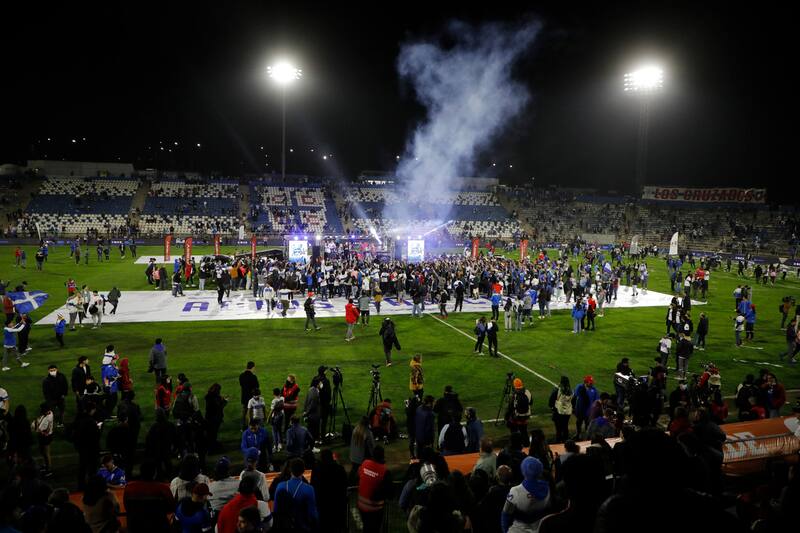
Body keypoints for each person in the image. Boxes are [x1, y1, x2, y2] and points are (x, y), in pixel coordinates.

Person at [123, 461, 176, 533]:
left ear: (141, 472)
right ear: (155, 473)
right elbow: (171, 508)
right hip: (159, 526)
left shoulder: (129, 487)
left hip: (135, 526)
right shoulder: (163, 488)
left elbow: (127, 507)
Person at [501, 456, 551, 532]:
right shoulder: (547, 488)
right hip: (540, 528)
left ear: (523, 471)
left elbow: (506, 515)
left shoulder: (516, 491)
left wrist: (505, 530)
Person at [273, 458, 319, 532]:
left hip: (283, 525)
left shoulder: (280, 486)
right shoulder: (309, 489)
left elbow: (275, 509)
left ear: (290, 470)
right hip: (302, 526)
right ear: (304, 470)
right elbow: (312, 513)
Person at [311, 448, 348, 533]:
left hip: (323, 508)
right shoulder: (339, 469)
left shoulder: (317, 470)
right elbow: (345, 484)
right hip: (338, 507)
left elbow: (313, 485)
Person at [357, 446, 392, 533]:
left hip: (361, 505)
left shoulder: (365, 463)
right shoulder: (384, 471)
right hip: (374, 509)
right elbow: (390, 493)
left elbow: (358, 475)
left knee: (366, 527)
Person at [548, 376, 573, 443]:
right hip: (567, 412)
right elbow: (573, 401)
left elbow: (551, 399)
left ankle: (559, 441)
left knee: (558, 428)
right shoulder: (571, 391)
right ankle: (566, 440)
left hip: (559, 411)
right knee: (565, 426)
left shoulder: (558, 390)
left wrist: (552, 407)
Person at [508, 378, 532, 447]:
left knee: (513, 430)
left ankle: (515, 445)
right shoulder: (527, 392)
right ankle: (526, 445)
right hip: (526, 416)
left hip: (517, 417)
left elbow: (510, 408)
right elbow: (531, 402)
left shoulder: (514, 395)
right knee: (524, 431)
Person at [32, 402, 54, 475]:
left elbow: (37, 429)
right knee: (43, 452)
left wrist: (35, 423)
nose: (41, 411)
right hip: (45, 436)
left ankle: (49, 469)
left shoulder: (47, 419)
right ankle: (46, 465)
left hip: (45, 437)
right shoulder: (50, 413)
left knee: (46, 453)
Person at [205, 383, 228, 452]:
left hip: (209, 417)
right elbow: (219, 407)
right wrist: (225, 401)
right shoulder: (215, 397)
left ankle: (211, 446)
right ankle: (212, 448)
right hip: (215, 418)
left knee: (211, 433)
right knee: (213, 433)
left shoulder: (209, 396)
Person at [239, 361, 259, 430]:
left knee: (244, 412)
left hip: (244, 396)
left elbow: (241, 385)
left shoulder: (241, 376)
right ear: (252, 367)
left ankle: (243, 427)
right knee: (251, 413)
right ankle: (251, 427)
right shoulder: (253, 377)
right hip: (251, 397)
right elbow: (257, 387)